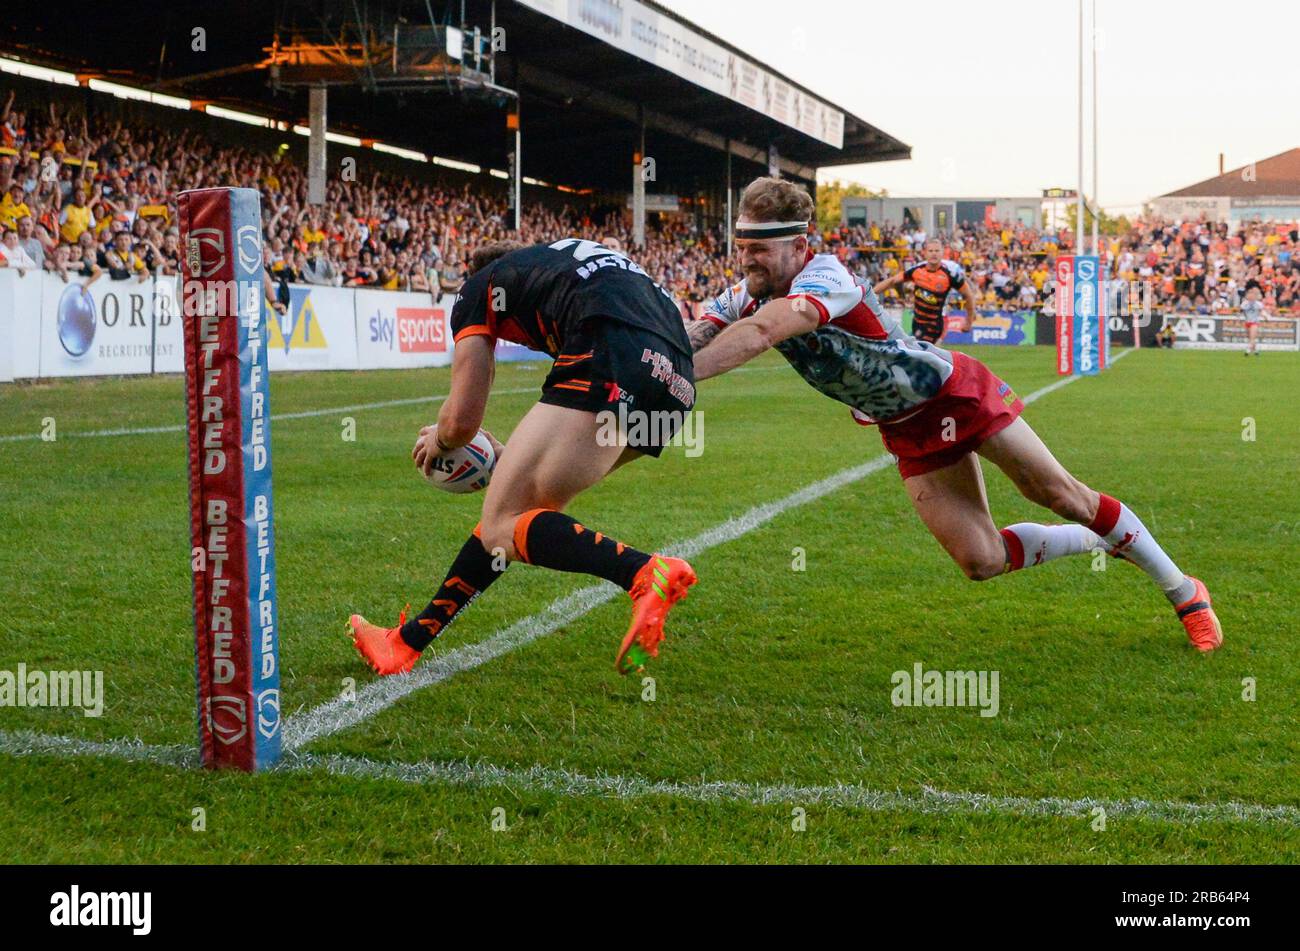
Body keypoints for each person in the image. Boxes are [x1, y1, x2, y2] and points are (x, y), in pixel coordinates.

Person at [687, 177, 1221, 652]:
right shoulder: (744, 294)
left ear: (800, 246)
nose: (747, 261)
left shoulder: (826, 276)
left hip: (953, 392)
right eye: (742, 249)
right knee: (981, 562)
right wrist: (653, 362)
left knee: (1059, 494)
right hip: (904, 427)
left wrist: (679, 377)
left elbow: (760, 333)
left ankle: (1184, 592)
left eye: (760, 249)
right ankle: (1092, 539)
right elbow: (695, 336)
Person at [349, 238, 699, 676]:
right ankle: (407, 642)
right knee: (520, 518)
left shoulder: (479, 286)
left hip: (612, 350)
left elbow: (461, 422)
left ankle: (643, 571)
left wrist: (439, 441)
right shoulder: (563, 264)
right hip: (677, 383)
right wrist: (505, 455)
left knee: (502, 524)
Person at [872, 237, 977, 343]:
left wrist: (969, 320)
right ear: (924, 253)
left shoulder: (950, 275)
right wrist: (870, 293)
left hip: (934, 325)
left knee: (918, 353)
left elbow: (968, 295)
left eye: (937, 251)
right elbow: (893, 281)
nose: (934, 254)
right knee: (919, 355)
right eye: (930, 251)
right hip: (917, 322)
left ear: (942, 253)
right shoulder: (917, 270)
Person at [1241, 287, 1264, 356]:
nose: (1251, 296)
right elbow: (1242, 312)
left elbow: (1261, 312)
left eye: (1252, 294)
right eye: (1249, 294)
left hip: (1254, 322)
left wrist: (1265, 316)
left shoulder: (1258, 304)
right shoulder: (1244, 303)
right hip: (1247, 322)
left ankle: (1248, 350)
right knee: (1250, 337)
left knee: (1252, 337)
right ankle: (1256, 350)